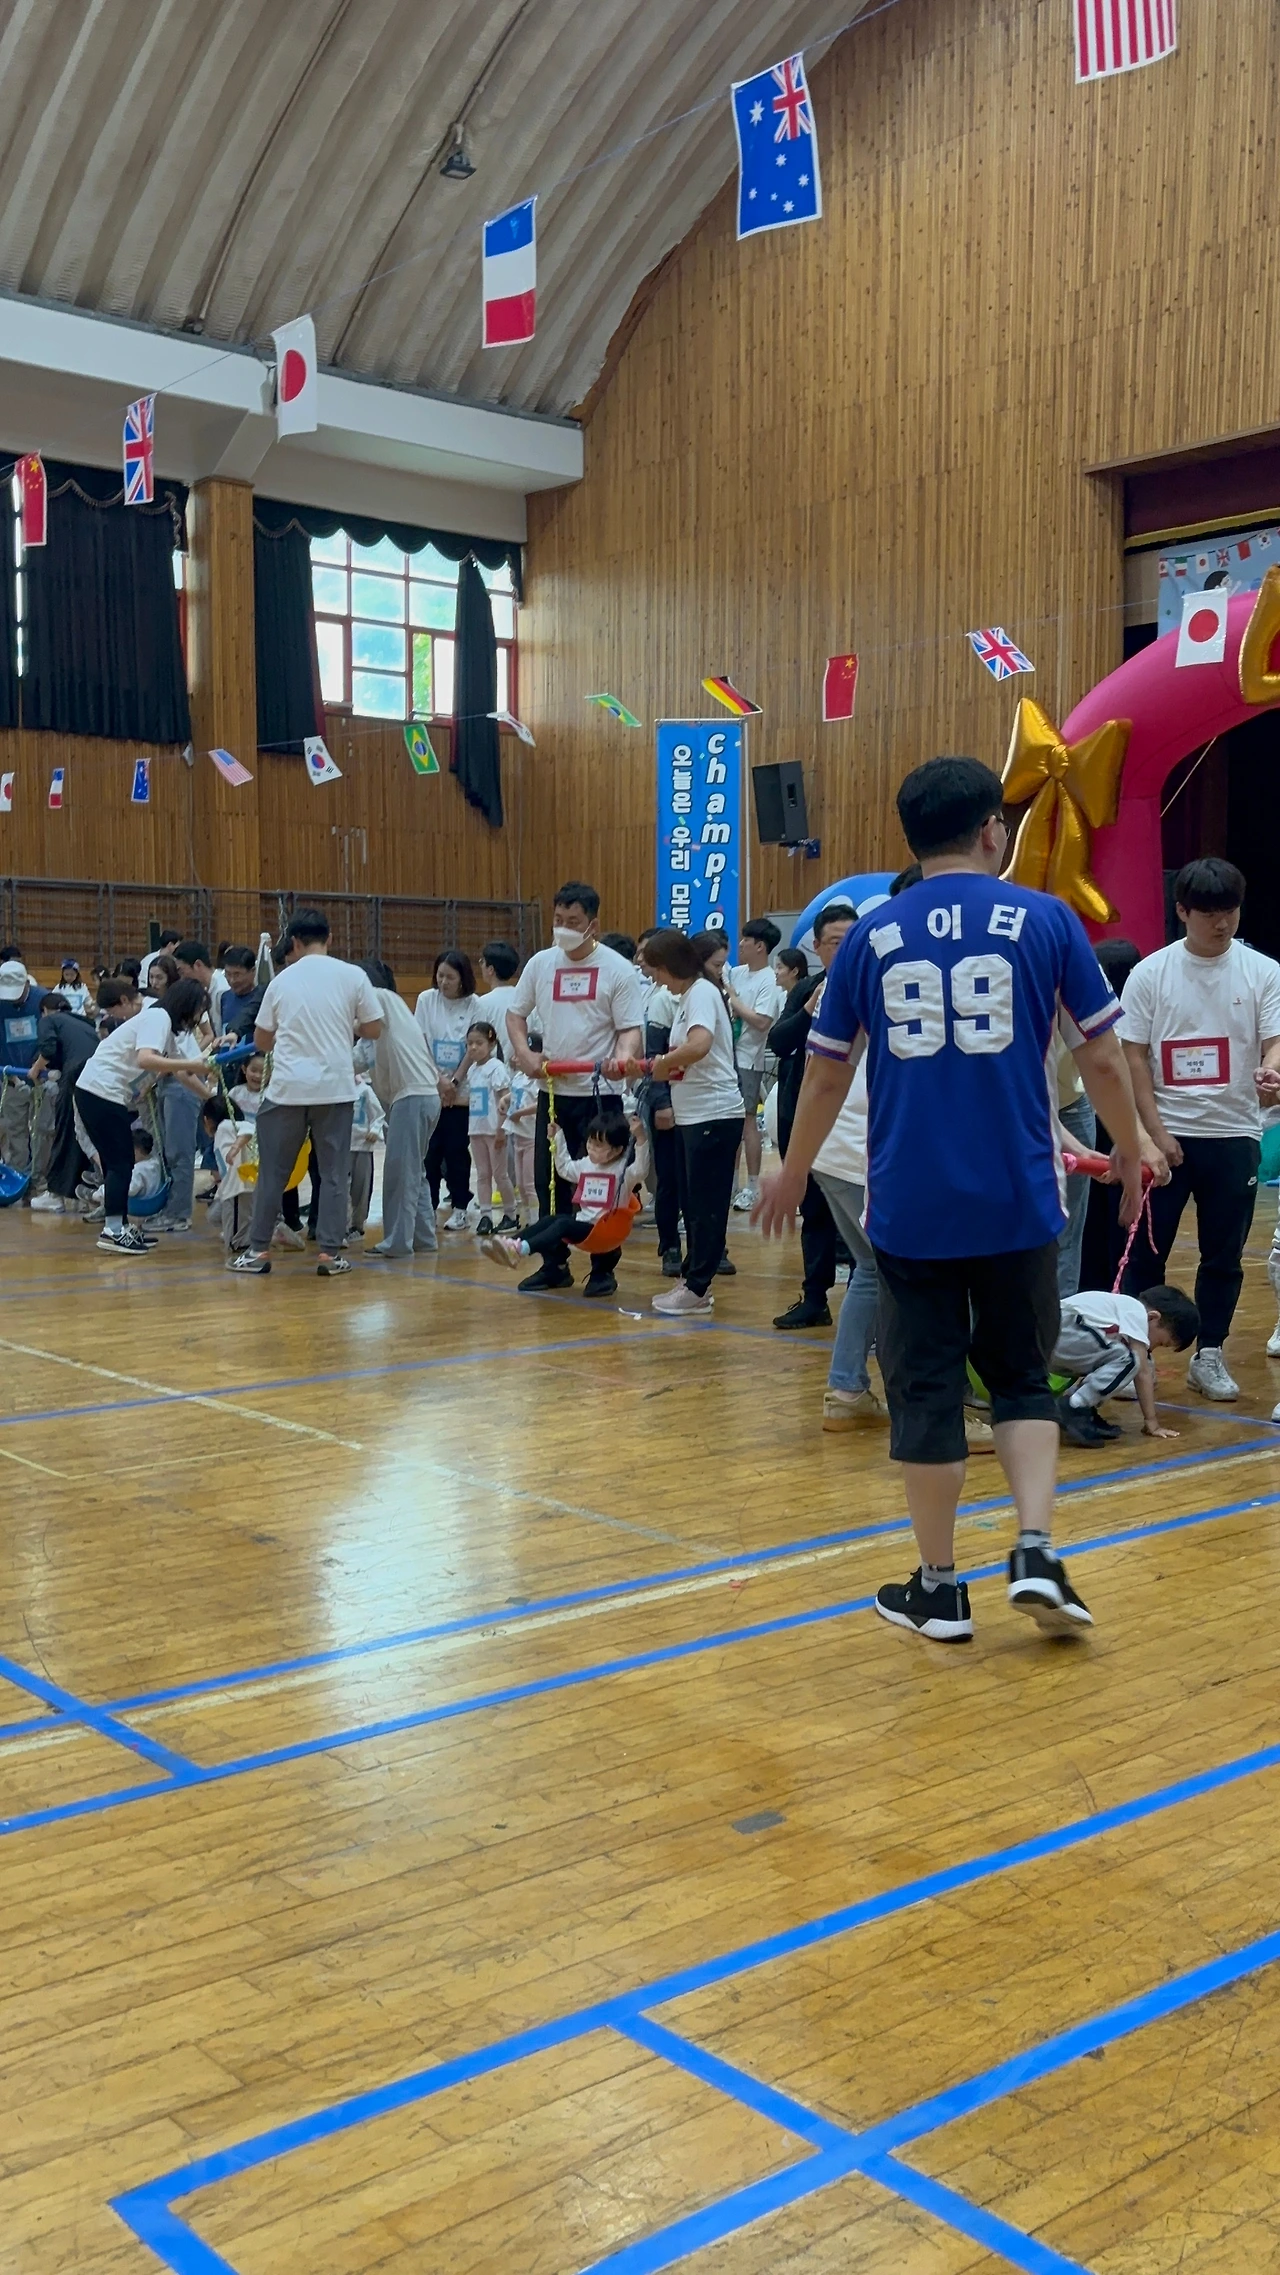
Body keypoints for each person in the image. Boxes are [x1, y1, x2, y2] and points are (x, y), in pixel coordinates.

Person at [759, 754, 1146, 1645]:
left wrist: (791, 1168)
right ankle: (1036, 1549)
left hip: (912, 1202)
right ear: (991, 830)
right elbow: (1100, 1054)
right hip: (1018, 1195)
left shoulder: (870, 935)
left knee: (927, 1389)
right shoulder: (1047, 919)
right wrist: (1130, 1148)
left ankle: (939, 1588)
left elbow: (826, 1073)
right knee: (1020, 1376)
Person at [1117, 858, 1280, 1401]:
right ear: (1182, 911)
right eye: (1209, 913)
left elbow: (1274, 1040)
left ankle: (1209, 1352)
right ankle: (1131, 1354)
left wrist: (1272, 1068)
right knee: (1147, 1253)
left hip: (1235, 1133)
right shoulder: (1151, 974)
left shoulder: (1263, 971)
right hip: (1168, 1136)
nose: (1222, 923)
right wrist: (1154, 1133)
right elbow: (1133, 1058)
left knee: (1223, 1255)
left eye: (1230, 911)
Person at [226, 910, 382, 1279]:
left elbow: (261, 1040)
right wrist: (345, 1024)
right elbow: (374, 1028)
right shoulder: (353, 975)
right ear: (329, 939)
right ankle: (329, 1254)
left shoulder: (282, 981)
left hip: (287, 1090)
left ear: (294, 942)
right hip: (336, 1091)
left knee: (272, 1174)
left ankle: (257, 1251)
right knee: (333, 1174)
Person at [506, 882, 644, 1297]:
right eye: (558, 920)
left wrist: (623, 1057)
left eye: (573, 921)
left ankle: (603, 1268)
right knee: (550, 1179)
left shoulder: (617, 970)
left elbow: (630, 1029)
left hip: (600, 1094)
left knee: (604, 1184)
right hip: (554, 1091)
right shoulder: (541, 964)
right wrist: (526, 1054)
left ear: (592, 925)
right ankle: (554, 1265)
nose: (564, 928)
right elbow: (515, 1015)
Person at [628, 928, 744, 1317]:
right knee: (693, 1203)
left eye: (656, 969)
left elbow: (699, 1045)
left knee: (705, 1206)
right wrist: (654, 1067)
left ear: (671, 965)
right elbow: (682, 1057)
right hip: (693, 1114)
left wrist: (658, 1064)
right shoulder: (686, 998)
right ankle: (694, 1280)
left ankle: (698, 1286)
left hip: (714, 1113)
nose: (655, 979)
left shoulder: (702, 994)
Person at [75, 978, 212, 1254]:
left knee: (121, 1161)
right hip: (100, 1091)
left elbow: (181, 1073)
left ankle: (120, 1225)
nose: (199, 1018)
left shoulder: (167, 1031)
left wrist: (210, 1098)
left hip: (103, 1093)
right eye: (199, 1010)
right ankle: (113, 1230)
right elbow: (146, 1059)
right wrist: (193, 1063)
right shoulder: (158, 1017)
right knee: (120, 1163)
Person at [767, 905, 856, 1330]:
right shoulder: (807, 988)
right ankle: (815, 1297)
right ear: (817, 947)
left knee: (862, 1220)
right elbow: (779, 1042)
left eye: (853, 940)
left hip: (856, 1123)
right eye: (836, 942)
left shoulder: (875, 987)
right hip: (806, 1118)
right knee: (815, 1213)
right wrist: (808, 1008)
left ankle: (865, 1308)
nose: (845, 949)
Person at [482, 1107, 648, 1269]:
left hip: (604, 1230)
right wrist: (558, 1137)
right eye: (590, 1142)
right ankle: (510, 1245)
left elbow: (641, 1169)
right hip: (584, 1224)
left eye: (598, 1145)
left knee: (562, 1224)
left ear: (617, 1150)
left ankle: (521, 1249)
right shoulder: (587, 1165)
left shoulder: (623, 1171)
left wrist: (640, 1138)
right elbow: (565, 1169)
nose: (591, 1148)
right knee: (550, 1220)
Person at [358, 958, 441, 1259]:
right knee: (414, 1171)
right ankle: (423, 1237)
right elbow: (353, 1059)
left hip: (412, 1097)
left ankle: (397, 1241)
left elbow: (349, 1022)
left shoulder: (382, 999)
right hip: (420, 1098)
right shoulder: (379, 1028)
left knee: (400, 1172)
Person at [1054, 1284, 1199, 1446]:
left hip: (1050, 1336)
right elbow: (1142, 1372)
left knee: (1114, 1361)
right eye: (1160, 1343)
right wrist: (1152, 1422)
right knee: (1131, 1360)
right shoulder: (1136, 1311)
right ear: (1152, 1318)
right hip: (1062, 1332)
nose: (1152, 1349)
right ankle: (1074, 1405)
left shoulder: (1120, 1310)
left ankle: (1083, 1407)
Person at [1079, 938, 1144, 1294]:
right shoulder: (1105, 1020)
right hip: (1105, 1122)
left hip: (1103, 1123)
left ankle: (1097, 1290)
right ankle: (1110, 1290)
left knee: (1095, 1215)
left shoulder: (1124, 1018)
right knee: (1108, 1214)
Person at [415, 950, 480, 1229]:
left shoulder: (475, 1004)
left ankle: (460, 1207)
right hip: (431, 1087)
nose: (443, 982)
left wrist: (454, 1082)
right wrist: (438, 1080)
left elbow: (474, 1046)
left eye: (450, 977)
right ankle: (427, 1208)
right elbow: (420, 1042)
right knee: (430, 1152)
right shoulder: (426, 1000)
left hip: (461, 1091)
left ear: (462, 978)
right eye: (440, 975)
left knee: (456, 1151)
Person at [727, 919, 783, 1211]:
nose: (740, 945)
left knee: (748, 1120)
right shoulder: (735, 973)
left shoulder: (768, 980)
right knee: (729, 1123)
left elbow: (761, 1021)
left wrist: (733, 1000)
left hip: (748, 1058)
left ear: (760, 946)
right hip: (725, 1057)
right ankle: (731, 1185)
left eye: (745, 940)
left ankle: (751, 1187)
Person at [30, 987, 101, 1209]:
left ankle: (56, 1194)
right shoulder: (86, 1024)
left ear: (44, 1010)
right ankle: (88, 1192)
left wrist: (35, 1069)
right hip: (97, 1079)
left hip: (75, 1078)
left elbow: (48, 1049)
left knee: (64, 1132)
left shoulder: (50, 1020)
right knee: (87, 1136)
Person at [0, 958, 49, 1190]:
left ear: (27, 984)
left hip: (42, 1079)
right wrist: (9, 1075)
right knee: (15, 1130)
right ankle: (17, 1178)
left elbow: (54, 1037)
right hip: (10, 1078)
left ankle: (41, 1179)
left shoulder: (44, 1000)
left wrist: (40, 1066)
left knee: (43, 1130)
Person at [465, 1020, 516, 1231]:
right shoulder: (471, 1070)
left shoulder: (496, 1068)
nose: (473, 1047)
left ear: (492, 1044)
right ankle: (485, 1216)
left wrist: (501, 1129)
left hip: (494, 1130)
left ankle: (511, 1214)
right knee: (482, 1174)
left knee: (500, 1175)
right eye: (470, 1043)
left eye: (479, 1043)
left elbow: (505, 1099)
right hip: (476, 1130)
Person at [476, 941, 521, 1059]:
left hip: (495, 1067)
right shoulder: (524, 998)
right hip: (524, 1066)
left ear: (490, 969)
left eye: (482, 962)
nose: (480, 965)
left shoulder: (483, 1003)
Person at [215, 947, 265, 1042]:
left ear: (253, 971)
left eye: (237, 975)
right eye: (228, 974)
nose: (232, 980)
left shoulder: (263, 998)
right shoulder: (224, 997)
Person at [129, 1126, 162, 1202]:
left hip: (141, 1204)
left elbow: (131, 1190)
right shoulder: (155, 1160)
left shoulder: (138, 1170)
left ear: (137, 1150)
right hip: (156, 1200)